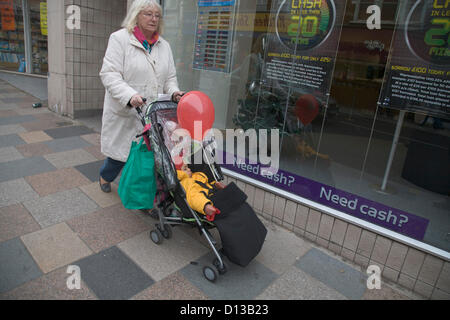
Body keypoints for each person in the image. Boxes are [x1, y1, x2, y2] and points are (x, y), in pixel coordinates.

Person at [98, 0, 184, 193]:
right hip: (127, 108)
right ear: (136, 15)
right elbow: (109, 74)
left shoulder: (164, 46)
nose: (153, 19)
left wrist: (174, 92)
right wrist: (129, 95)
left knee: (147, 156)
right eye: (148, 14)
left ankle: (140, 193)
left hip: (152, 112)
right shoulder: (119, 39)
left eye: (157, 15)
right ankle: (105, 176)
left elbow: (169, 78)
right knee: (120, 155)